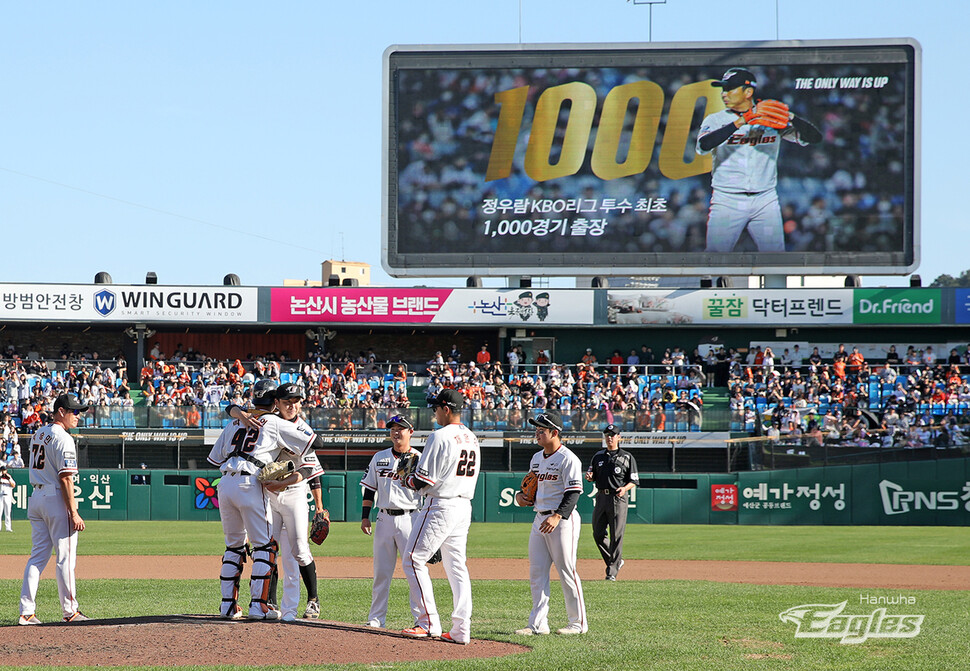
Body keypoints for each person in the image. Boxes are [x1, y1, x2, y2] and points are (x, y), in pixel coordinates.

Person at [206, 379, 318, 621]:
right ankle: (259, 606)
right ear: (274, 402)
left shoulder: (234, 421)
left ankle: (228, 606)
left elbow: (214, 460)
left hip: (225, 483)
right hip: (251, 483)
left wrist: (236, 412)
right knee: (265, 547)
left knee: (234, 547)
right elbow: (314, 441)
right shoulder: (274, 421)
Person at [696, 67, 822, 253]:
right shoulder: (716, 119)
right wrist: (741, 121)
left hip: (765, 199)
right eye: (723, 89)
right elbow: (704, 146)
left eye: (730, 89)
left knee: (776, 261)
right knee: (714, 258)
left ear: (748, 92)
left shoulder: (769, 118)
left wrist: (791, 117)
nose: (724, 94)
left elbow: (814, 138)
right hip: (727, 199)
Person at [400, 389, 480, 645]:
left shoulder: (439, 436)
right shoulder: (472, 437)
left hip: (441, 504)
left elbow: (424, 479)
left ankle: (428, 621)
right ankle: (461, 629)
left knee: (413, 559)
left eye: (436, 407)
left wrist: (407, 478)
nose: (434, 412)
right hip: (463, 506)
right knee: (457, 566)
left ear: (446, 409)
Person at [514, 411, 587, 636]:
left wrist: (558, 516)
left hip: (562, 520)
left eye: (541, 430)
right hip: (539, 518)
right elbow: (530, 487)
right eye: (536, 429)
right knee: (537, 572)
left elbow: (574, 492)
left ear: (555, 433)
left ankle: (577, 623)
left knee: (566, 570)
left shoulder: (568, 458)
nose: (537, 433)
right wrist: (521, 497)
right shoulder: (536, 458)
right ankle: (537, 624)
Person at [19, 393, 90, 625]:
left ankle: (26, 612)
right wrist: (74, 512)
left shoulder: (40, 432)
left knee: (37, 557)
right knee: (66, 558)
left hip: (36, 497)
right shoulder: (64, 438)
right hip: (54, 498)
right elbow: (66, 479)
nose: (78, 416)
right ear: (61, 411)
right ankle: (70, 611)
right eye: (75, 412)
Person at [262, 384, 325, 622]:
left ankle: (313, 600)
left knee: (299, 549)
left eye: (297, 401)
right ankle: (269, 601)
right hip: (269, 493)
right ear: (276, 402)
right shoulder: (267, 422)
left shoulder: (303, 429)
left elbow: (310, 469)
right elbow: (235, 411)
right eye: (287, 401)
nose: (292, 405)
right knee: (269, 548)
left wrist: (284, 483)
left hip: (294, 492)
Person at [360, 414, 423, 629]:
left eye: (401, 428)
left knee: (414, 572)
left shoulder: (420, 457)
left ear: (410, 431)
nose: (396, 432)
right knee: (381, 572)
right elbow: (369, 488)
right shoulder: (379, 457)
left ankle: (420, 619)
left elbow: (429, 490)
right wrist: (364, 517)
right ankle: (376, 619)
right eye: (393, 428)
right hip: (384, 518)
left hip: (411, 517)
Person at [585, 424, 639, 581]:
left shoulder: (627, 457)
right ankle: (615, 561)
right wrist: (589, 476)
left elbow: (634, 480)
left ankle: (611, 571)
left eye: (613, 435)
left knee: (616, 534)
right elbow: (592, 474)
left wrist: (625, 488)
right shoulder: (598, 456)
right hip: (601, 496)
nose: (610, 437)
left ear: (619, 437)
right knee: (598, 533)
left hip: (618, 496)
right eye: (607, 435)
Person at [1, 465, 15, 531]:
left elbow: (13, 485)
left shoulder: (9, 477)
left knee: (7, 513)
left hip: (7, 496)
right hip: (0, 496)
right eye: (2, 470)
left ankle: (8, 528)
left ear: (6, 470)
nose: (3, 471)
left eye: (4, 470)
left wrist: (8, 479)